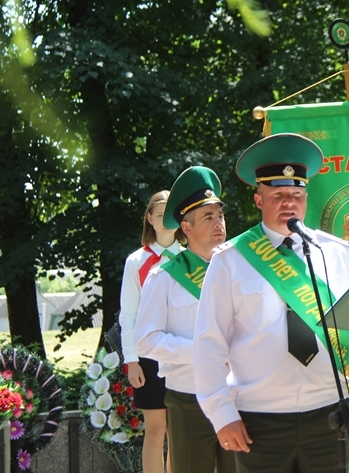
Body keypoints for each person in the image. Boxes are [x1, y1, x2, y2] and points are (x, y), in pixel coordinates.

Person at [193, 132, 349, 473]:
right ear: (258, 199)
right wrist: (221, 414)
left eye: (296, 195)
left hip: (328, 413)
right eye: (278, 195)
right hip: (260, 419)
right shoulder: (230, 260)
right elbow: (207, 344)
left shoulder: (333, 252)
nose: (289, 202)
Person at [134, 167, 236, 473]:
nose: (218, 223)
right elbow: (145, 340)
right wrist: (202, 351)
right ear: (186, 227)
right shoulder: (164, 277)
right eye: (208, 217)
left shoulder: (243, 268)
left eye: (220, 215)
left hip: (239, 396)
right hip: (190, 399)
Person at [118, 190, 182, 473]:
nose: (166, 221)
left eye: (171, 215)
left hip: (181, 352)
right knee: (155, 428)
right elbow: (129, 314)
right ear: (149, 218)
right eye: (160, 215)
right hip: (149, 354)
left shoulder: (190, 258)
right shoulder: (136, 261)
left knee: (178, 431)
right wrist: (132, 360)